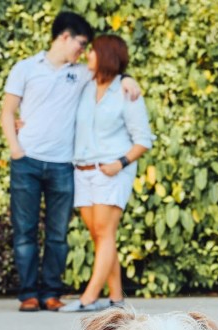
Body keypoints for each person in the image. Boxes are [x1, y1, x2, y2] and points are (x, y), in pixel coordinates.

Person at [0, 12, 140, 312]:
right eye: (81, 43)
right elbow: (7, 111)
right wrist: (15, 149)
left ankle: (51, 294)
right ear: (64, 37)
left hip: (63, 165)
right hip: (26, 161)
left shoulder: (81, 74)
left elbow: (111, 72)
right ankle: (28, 295)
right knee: (24, 232)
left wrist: (129, 78)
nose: (83, 50)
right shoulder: (25, 68)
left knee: (57, 234)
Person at [59, 35, 153, 312]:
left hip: (112, 171)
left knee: (105, 232)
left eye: (93, 51)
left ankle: (88, 299)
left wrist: (120, 163)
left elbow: (143, 140)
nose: (88, 55)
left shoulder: (126, 92)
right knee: (99, 237)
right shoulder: (86, 86)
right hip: (83, 170)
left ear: (107, 55)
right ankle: (116, 299)